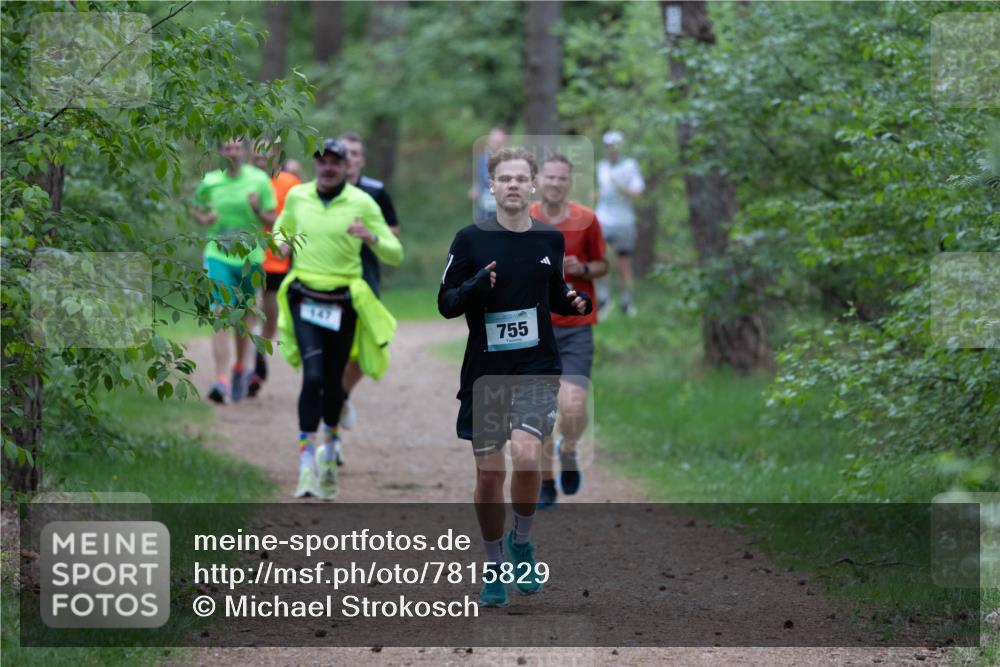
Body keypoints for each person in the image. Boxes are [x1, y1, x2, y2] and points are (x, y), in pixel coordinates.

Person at [439, 147, 591, 607]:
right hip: (486, 372)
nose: (511, 185)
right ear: (491, 186)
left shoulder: (548, 241)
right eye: (503, 178)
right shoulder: (469, 240)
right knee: (489, 477)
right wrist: (473, 287)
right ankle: (492, 563)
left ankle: (521, 542)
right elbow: (445, 303)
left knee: (527, 455)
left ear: (531, 186)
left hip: (535, 368)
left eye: (519, 178)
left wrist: (572, 302)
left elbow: (553, 294)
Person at [273, 138, 403, 500]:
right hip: (305, 297)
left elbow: (395, 253)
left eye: (335, 161)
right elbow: (280, 231)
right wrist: (280, 244)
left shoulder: (363, 202)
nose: (327, 167)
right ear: (315, 165)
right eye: (322, 161)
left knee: (333, 382)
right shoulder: (299, 197)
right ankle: (305, 467)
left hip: (343, 302)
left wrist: (371, 236)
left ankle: (328, 456)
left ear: (347, 167)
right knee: (312, 376)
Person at [528, 154, 608, 508]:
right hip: (535, 327)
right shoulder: (524, 218)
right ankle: (546, 482)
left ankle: (570, 448)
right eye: (550, 177)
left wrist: (584, 267)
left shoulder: (587, 219)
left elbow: (604, 265)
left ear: (568, 182)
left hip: (576, 327)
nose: (555, 183)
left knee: (573, 406)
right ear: (538, 180)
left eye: (562, 178)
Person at [193, 138, 276, 403]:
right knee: (220, 312)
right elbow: (197, 210)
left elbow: (273, 218)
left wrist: (256, 209)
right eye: (227, 147)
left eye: (237, 147)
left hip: (250, 258)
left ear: (245, 152)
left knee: (243, 317)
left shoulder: (259, 180)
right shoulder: (210, 182)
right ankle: (221, 380)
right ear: (220, 151)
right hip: (218, 254)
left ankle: (240, 366)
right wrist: (204, 219)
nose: (233, 152)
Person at [335, 131, 402, 442]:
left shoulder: (375, 191)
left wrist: (370, 232)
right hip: (328, 279)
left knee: (362, 354)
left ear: (361, 160)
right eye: (343, 152)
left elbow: (394, 233)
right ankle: (329, 429)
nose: (348, 158)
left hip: (366, 278)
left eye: (354, 153)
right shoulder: (319, 192)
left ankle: (341, 395)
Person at [248, 138, 302, 398]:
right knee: (247, 311)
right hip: (246, 257)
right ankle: (249, 365)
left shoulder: (290, 183)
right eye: (256, 158)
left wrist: (261, 211)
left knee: (270, 315)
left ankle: (259, 353)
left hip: (276, 259)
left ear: (277, 154)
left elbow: (301, 218)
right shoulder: (243, 182)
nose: (261, 163)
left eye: (265, 157)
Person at [594, 131, 645, 318]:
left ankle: (627, 302)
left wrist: (620, 187)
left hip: (624, 222)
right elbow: (602, 190)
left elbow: (637, 194)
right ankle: (604, 300)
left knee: (623, 264)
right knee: (599, 260)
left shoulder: (630, 166)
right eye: (608, 146)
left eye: (615, 146)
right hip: (603, 219)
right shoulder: (602, 166)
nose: (612, 150)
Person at [467, 127, 507, 223]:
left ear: (503, 143)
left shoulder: (509, 161)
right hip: (483, 208)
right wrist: (475, 189)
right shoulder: (481, 158)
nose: (495, 143)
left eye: (498, 141)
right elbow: (479, 180)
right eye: (493, 140)